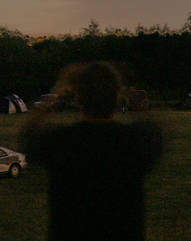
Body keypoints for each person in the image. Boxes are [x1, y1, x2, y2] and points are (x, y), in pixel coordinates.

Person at [21, 62, 162, 241]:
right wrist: (133, 92)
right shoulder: (135, 140)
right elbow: (155, 126)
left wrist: (58, 90)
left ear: (78, 98)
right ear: (117, 98)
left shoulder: (60, 140)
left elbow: (28, 132)